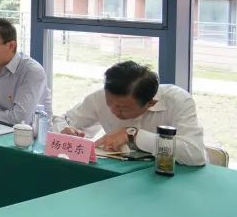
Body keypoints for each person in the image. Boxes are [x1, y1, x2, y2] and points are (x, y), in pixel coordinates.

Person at [62, 61, 206, 166]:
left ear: (151, 103)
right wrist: (66, 131)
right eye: (109, 102)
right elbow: (64, 121)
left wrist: (133, 135)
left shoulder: (177, 101)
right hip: (122, 174)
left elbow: (195, 154)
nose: (113, 110)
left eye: (122, 108)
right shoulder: (101, 97)